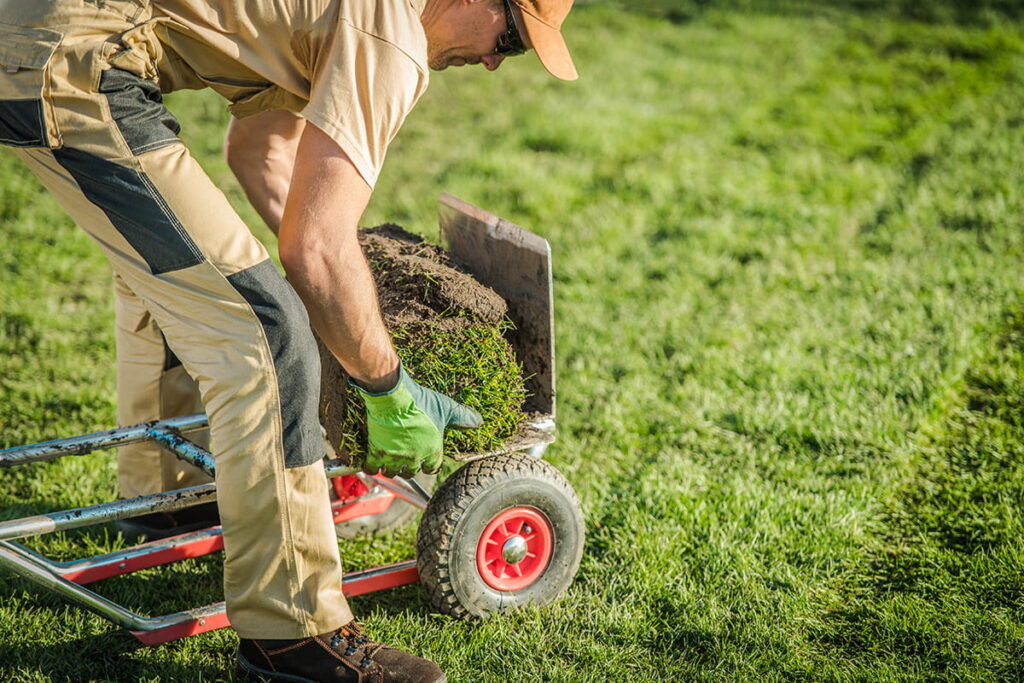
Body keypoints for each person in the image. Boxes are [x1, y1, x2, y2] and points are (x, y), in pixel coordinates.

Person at [0, 0, 577, 680]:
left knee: (186, 276)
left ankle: (170, 499)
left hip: (45, 38)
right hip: (75, 60)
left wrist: (349, 295)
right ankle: (295, 631)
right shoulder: (388, 29)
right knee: (267, 333)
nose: (490, 62)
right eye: (507, 39)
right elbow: (314, 246)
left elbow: (260, 151)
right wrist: (386, 383)